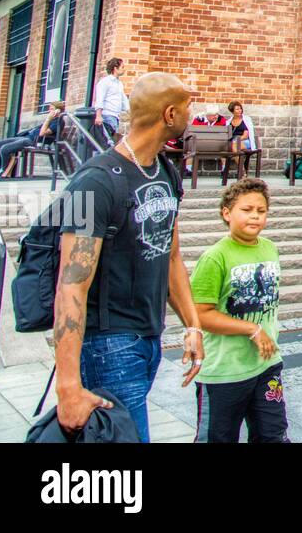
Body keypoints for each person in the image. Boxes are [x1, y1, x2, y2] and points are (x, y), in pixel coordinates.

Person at [53, 72, 204, 442]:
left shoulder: (166, 172)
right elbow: (71, 286)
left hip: (149, 336)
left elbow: (170, 255)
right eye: (187, 107)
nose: (192, 114)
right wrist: (68, 386)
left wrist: (193, 324)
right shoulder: (93, 181)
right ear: (170, 114)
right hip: (109, 344)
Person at [190, 176, 288, 442]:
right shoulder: (215, 257)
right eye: (246, 210)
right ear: (227, 213)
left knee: (273, 434)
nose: (254, 217)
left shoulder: (269, 248)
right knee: (219, 437)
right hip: (224, 371)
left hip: (266, 364)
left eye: (261, 211)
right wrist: (251, 329)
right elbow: (200, 313)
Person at [0, 101, 64, 180]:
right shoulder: (52, 120)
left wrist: (48, 119)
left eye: (52, 109)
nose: (49, 111)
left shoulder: (58, 122)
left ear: (58, 111)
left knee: (5, 148)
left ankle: (3, 169)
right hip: (27, 137)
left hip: (34, 141)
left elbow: (42, 133)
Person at [92, 56, 128, 142]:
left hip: (115, 116)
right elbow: (100, 99)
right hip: (106, 115)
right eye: (122, 67)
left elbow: (124, 101)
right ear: (115, 68)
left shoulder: (119, 83)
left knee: (109, 141)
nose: (124, 69)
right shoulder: (105, 82)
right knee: (106, 142)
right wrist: (99, 116)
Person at [226, 101, 258, 175]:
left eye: (240, 109)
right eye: (237, 109)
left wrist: (236, 140)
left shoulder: (246, 119)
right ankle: (242, 171)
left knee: (234, 146)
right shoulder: (229, 122)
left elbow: (245, 135)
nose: (240, 110)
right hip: (233, 142)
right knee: (233, 147)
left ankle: (242, 172)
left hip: (245, 141)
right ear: (232, 111)